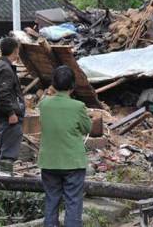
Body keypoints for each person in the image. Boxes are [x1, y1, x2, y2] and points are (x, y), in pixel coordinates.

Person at [38, 65, 92, 227]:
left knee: (51, 200)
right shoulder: (78, 107)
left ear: (53, 84)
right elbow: (87, 128)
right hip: (72, 162)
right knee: (73, 203)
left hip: (49, 161)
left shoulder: (44, 105)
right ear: (72, 85)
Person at [0, 37, 25, 174]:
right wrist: (11, 113)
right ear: (15, 51)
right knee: (8, 154)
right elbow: (3, 94)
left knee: (2, 151)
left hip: (1, 114)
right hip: (8, 116)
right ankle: (5, 185)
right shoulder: (6, 69)